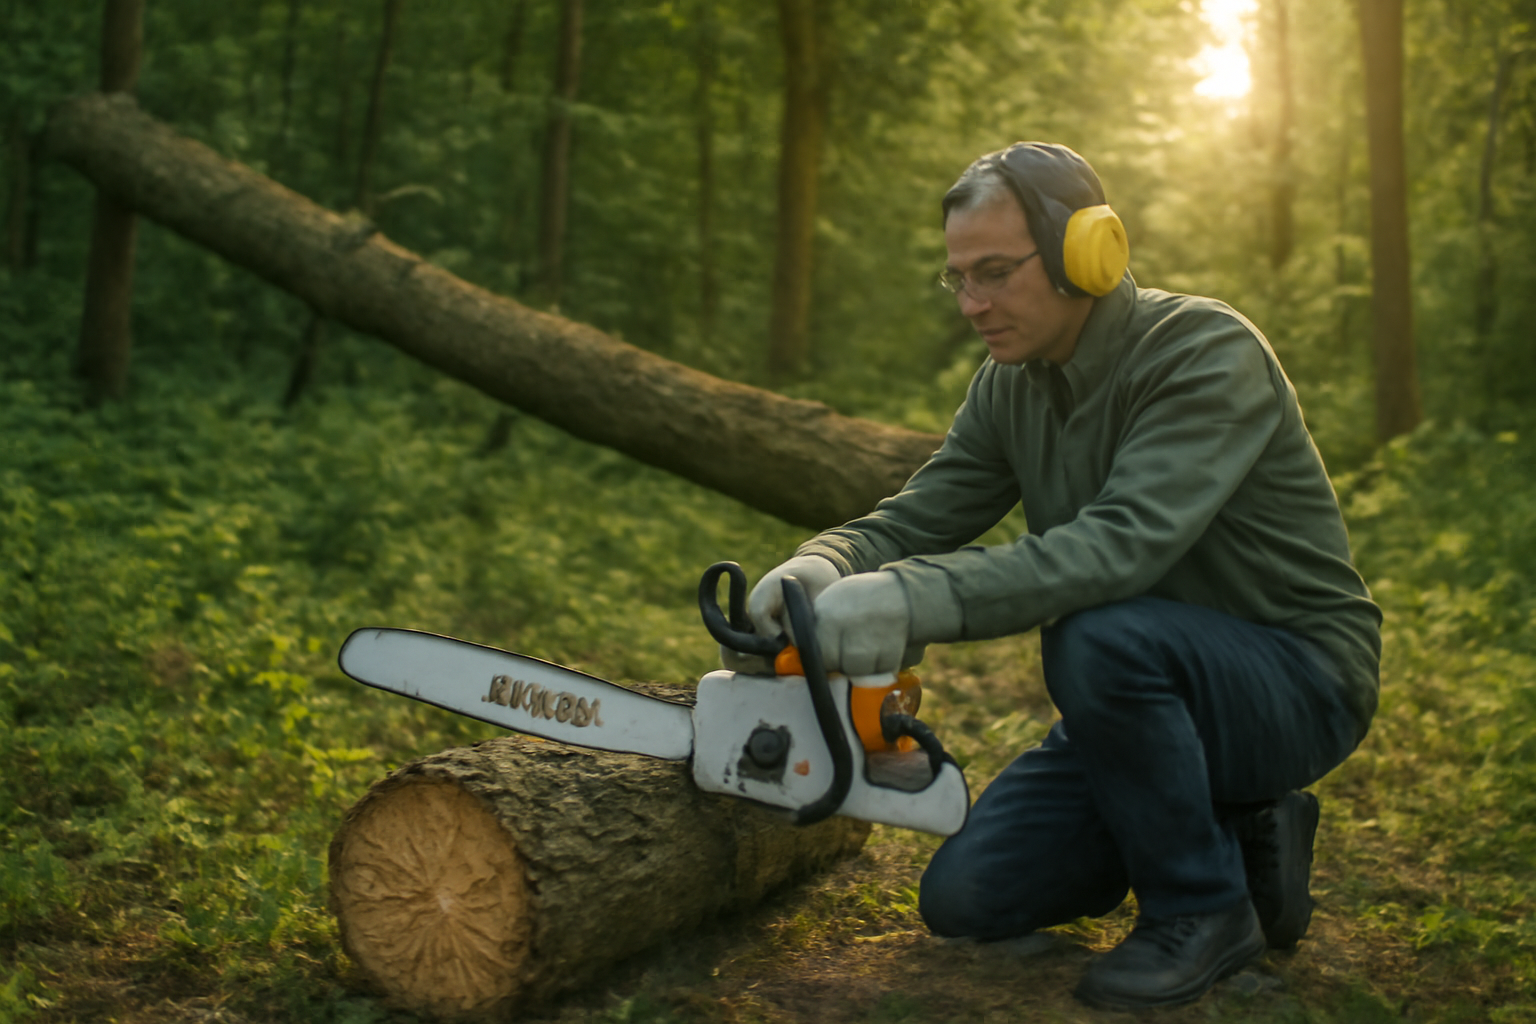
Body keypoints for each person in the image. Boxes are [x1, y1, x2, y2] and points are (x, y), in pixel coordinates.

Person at [740, 142, 1381, 1010]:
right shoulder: (1011, 384)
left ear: (1090, 251)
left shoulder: (1202, 352)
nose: (973, 304)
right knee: (967, 900)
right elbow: (924, 511)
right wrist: (826, 563)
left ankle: (1203, 907)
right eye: (959, 279)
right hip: (1136, 697)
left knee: (1098, 631)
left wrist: (911, 596)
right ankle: (1242, 822)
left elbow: (1119, 548)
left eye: (996, 273)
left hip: (1295, 679)